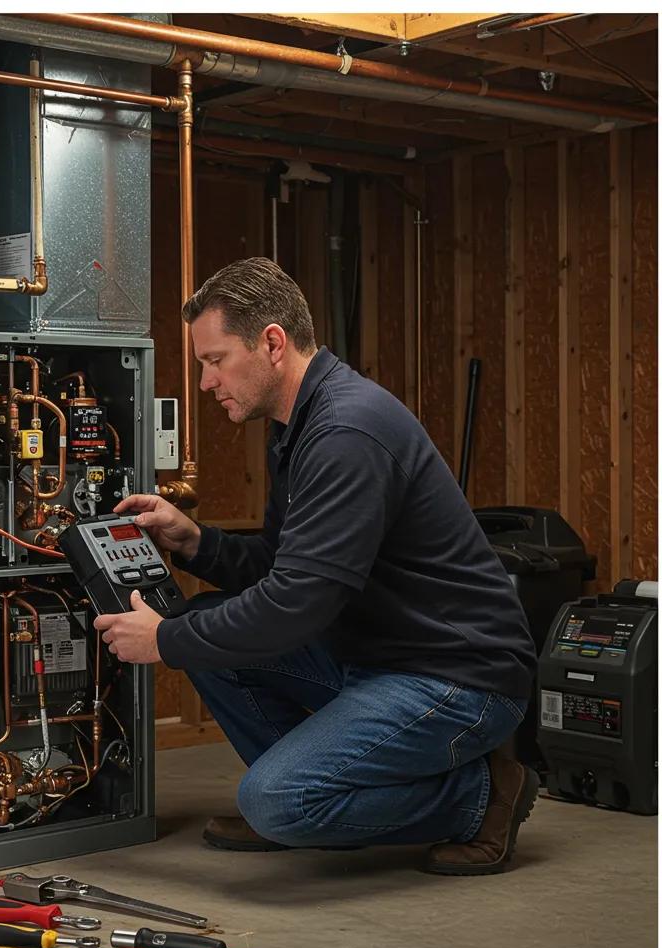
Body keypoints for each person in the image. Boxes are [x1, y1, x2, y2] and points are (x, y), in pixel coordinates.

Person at [93, 257, 539, 875]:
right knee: (206, 630)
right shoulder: (296, 429)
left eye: (215, 359)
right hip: (380, 657)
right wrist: (196, 542)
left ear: (272, 343)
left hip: (458, 677)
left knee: (273, 798)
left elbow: (295, 605)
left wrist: (163, 640)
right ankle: (316, 802)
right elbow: (284, 568)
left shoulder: (346, 432)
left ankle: (479, 797)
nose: (204, 382)